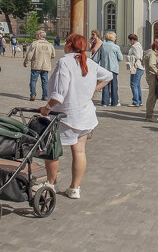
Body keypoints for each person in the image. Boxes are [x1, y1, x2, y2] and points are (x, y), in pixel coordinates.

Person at [39, 33, 113, 199]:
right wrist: (95, 88)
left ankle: (50, 183)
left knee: (52, 150)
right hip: (85, 115)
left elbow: (59, 94)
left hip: (65, 115)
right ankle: (75, 187)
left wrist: (46, 108)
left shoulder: (65, 62)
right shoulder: (90, 63)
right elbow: (108, 75)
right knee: (79, 151)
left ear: (69, 45)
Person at [93, 31, 123, 106]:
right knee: (114, 86)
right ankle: (114, 102)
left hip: (104, 68)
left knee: (105, 85)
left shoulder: (102, 45)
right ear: (113, 38)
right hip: (113, 69)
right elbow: (121, 58)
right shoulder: (116, 47)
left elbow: (97, 57)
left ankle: (105, 102)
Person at [24, 29, 56, 101]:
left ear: (39, 36)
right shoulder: (50, 45)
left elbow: (30, 54)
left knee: (33, 80)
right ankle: (45, 96)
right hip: (46, 65)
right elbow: (53, 55)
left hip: (36, 65)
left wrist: (26, 61)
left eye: (36, 35)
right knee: (45, 81)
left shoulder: (35, 43)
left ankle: (33, 94)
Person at [142, 39, 158, 121]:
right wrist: (157, 72)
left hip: (150, 76)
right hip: (153, 77)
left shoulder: (148, 52)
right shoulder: (152, 54)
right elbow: (151, 64)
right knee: (152, 96)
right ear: (156, 49)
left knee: (152, 96)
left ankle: (149, 114)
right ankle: (149, 115)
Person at [126, 33, 144, 107]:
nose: (129, 42)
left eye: (130, 40)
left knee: (133, 84)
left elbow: (138, 56)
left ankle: (136, 102)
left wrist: (130, 57)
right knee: (137, 85)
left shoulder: (135, 46)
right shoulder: (139, 45)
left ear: (133, 40)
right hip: (140, 67)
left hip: (136, 67)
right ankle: (139, 101)